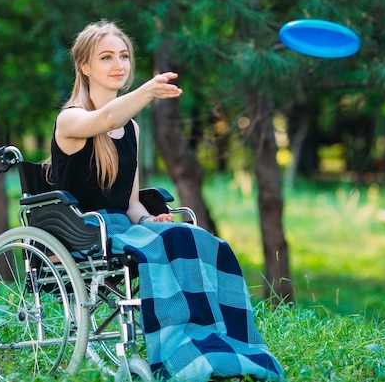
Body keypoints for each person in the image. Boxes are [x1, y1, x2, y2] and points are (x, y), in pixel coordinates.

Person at [48, 20, 284, 381]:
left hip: (124, 228)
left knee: (199, 239)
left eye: (124, 56)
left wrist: (149, 221)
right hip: (83, 231)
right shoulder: (71, 120)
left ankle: (226, 344)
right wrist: (147, 91)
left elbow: (130, 204)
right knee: (173, 242)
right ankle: (180, 354)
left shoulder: (132, 129)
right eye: (106, 57)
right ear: (85, 67)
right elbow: (107, 116)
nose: (119, 65)